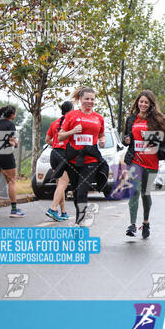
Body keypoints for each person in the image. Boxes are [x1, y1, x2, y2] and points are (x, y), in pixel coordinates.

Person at [123, 90, 165, 239]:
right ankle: (132, 225)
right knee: (135, 191)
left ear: (150, 104)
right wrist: (127, 140)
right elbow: (126, 136)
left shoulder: (157, 119)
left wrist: (149, 136)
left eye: (146, 102)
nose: (143, 104)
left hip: (151, 161)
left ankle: (146, 222)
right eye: (141, 101)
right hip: (134, 160)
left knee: (145, 193)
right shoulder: (131, 119)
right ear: (137, 102)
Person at [58, 86, 107, 226]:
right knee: (76, 191)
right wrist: (72, 131)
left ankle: (79, 222)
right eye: (87, 99)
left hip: (91, 159)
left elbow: (102, 134)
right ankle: (81, 216)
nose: (90, 101)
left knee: (82, 190)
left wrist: (102, 140)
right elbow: (60, 136)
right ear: (80, 99)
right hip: (74, 158)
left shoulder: (99, 118)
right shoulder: (71, 116)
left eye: (92, 99)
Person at [44, 101, 74, 221]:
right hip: (64, 155)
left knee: (60, 185)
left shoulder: (55, 123)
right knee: (63, 184)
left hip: (54, 154)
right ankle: (53, 209)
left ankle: (64, 212)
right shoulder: (71, 123)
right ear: (71, 110)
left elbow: (47, 139)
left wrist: (56, 144)